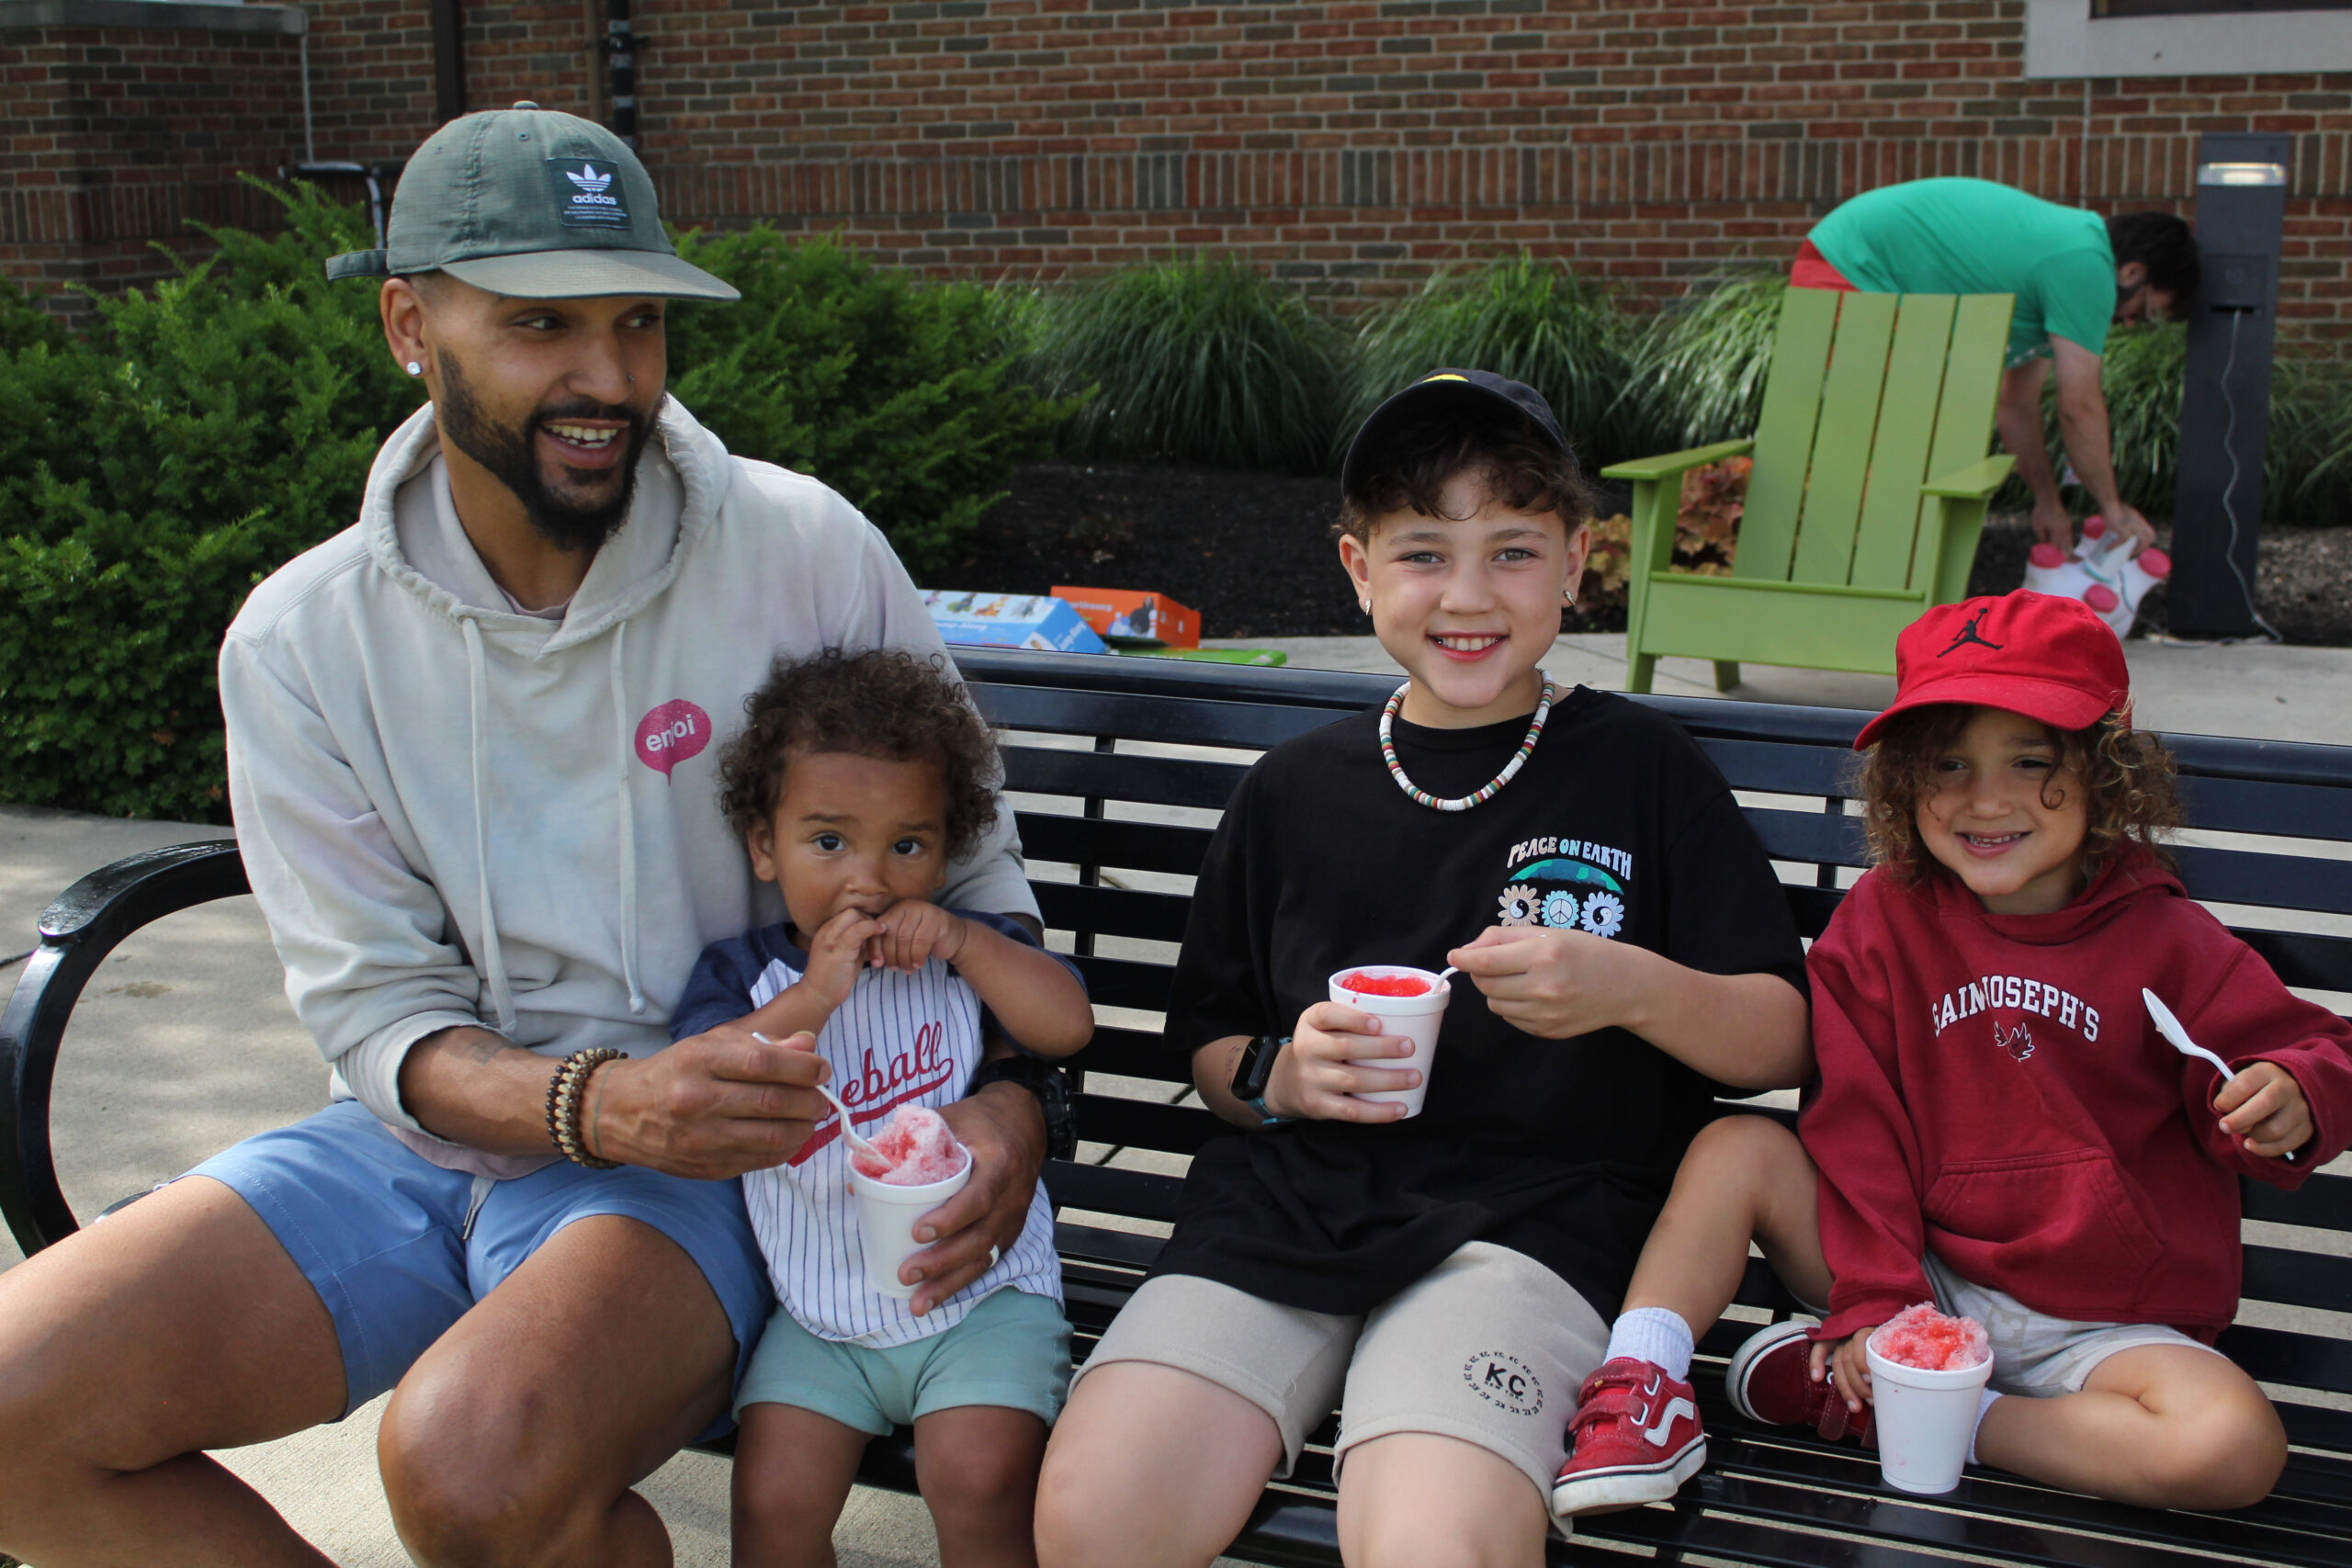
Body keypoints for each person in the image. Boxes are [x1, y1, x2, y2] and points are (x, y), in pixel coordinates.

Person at [0, 104, 1062, 1567]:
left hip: (711, 1175)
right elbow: (377, 1011)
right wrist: (591, 1100)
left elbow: (979, 884)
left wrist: (1009, 1103)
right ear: (407, 326)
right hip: (426, 1137)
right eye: (541, 322)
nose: (608, 376)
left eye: (638, 321)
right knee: (13, 1407)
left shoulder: (807, 549)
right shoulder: (304, 641)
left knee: (475, 1461)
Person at [1032, 369, 1814, 1568]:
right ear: (1358, 570)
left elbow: (1780, 1036)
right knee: (1095, 1516)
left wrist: (1630, 986)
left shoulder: (1642, 767)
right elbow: (1213, 1042)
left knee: (1435, 1543)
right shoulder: (1295, 789)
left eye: (1510, 551)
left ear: (1573, 561)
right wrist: (1284, 1075)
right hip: (1284, 1211)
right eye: (1422, 552)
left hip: (1532, 1225)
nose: (1465, 594)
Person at [1553, 592, 2352, 1518]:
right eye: (1947, 764)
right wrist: (1879, 1306)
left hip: (2100, 1325)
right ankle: (1638, 1385)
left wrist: (2293, 1093)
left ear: (2107, 774)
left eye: (2030, 760)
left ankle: (1914, 1416)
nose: (1985, 798)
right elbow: (1853, 1121)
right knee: (1738, 1151)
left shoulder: (2166, 939)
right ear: (1902, 782)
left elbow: (2311, 1049)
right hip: (1914, 1278)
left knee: (2228, 1448)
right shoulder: (1886, 921)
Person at [668, 649, 1092, 1568]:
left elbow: (1065, 1026)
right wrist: (814, 1000)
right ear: (762, 846)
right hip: (820, 1312)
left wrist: (972, 940)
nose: (869, 879)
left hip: (982, 1296)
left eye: (908, 845)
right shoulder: (750, 979)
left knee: (978, 1478)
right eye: (829, 842)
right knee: (772, 1503)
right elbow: (707, 1075)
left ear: (945, 850)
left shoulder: (956, 957)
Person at [1792, 178, 2199, 553]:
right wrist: (2112, 507)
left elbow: (2016, 405)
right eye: (2142, 311)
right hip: (1849, 265)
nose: (2128, 323)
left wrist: (2047, 501)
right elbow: (2080, 407)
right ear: (2132, 271)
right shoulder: (2087, 265)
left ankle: (1877, 572)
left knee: (1906, 440)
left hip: (1853, 260)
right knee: (1884, 442)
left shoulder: (2061, 271)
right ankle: (1850, 573)